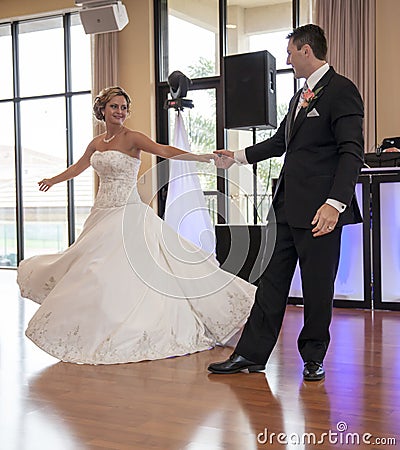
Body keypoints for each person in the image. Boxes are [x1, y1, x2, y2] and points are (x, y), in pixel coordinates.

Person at [17, 86, 256, 365]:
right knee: (92, 271)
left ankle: (135, 322)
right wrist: (54, 180)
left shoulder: (132, 138)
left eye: (123, 107)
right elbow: (78, 167)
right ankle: (101, 323)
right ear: (102, 110)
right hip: (101, 212)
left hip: (127, 212)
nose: (120, 111)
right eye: (114, 107)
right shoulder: (97, 143)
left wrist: (202, 157)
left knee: (115, 269)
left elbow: (164, 150)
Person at [208, 24, 364, 380]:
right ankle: (250, 355)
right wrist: (237, 155)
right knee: (271, 282)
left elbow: (351, 152)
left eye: (291, 52)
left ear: (307, 51)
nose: (288, 59)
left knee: (317, 286)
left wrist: (335, 203)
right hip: (285, 208)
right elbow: (280, 142)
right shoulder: (299, 96)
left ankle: (313, 357)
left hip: (321, 211)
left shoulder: (342, 91)